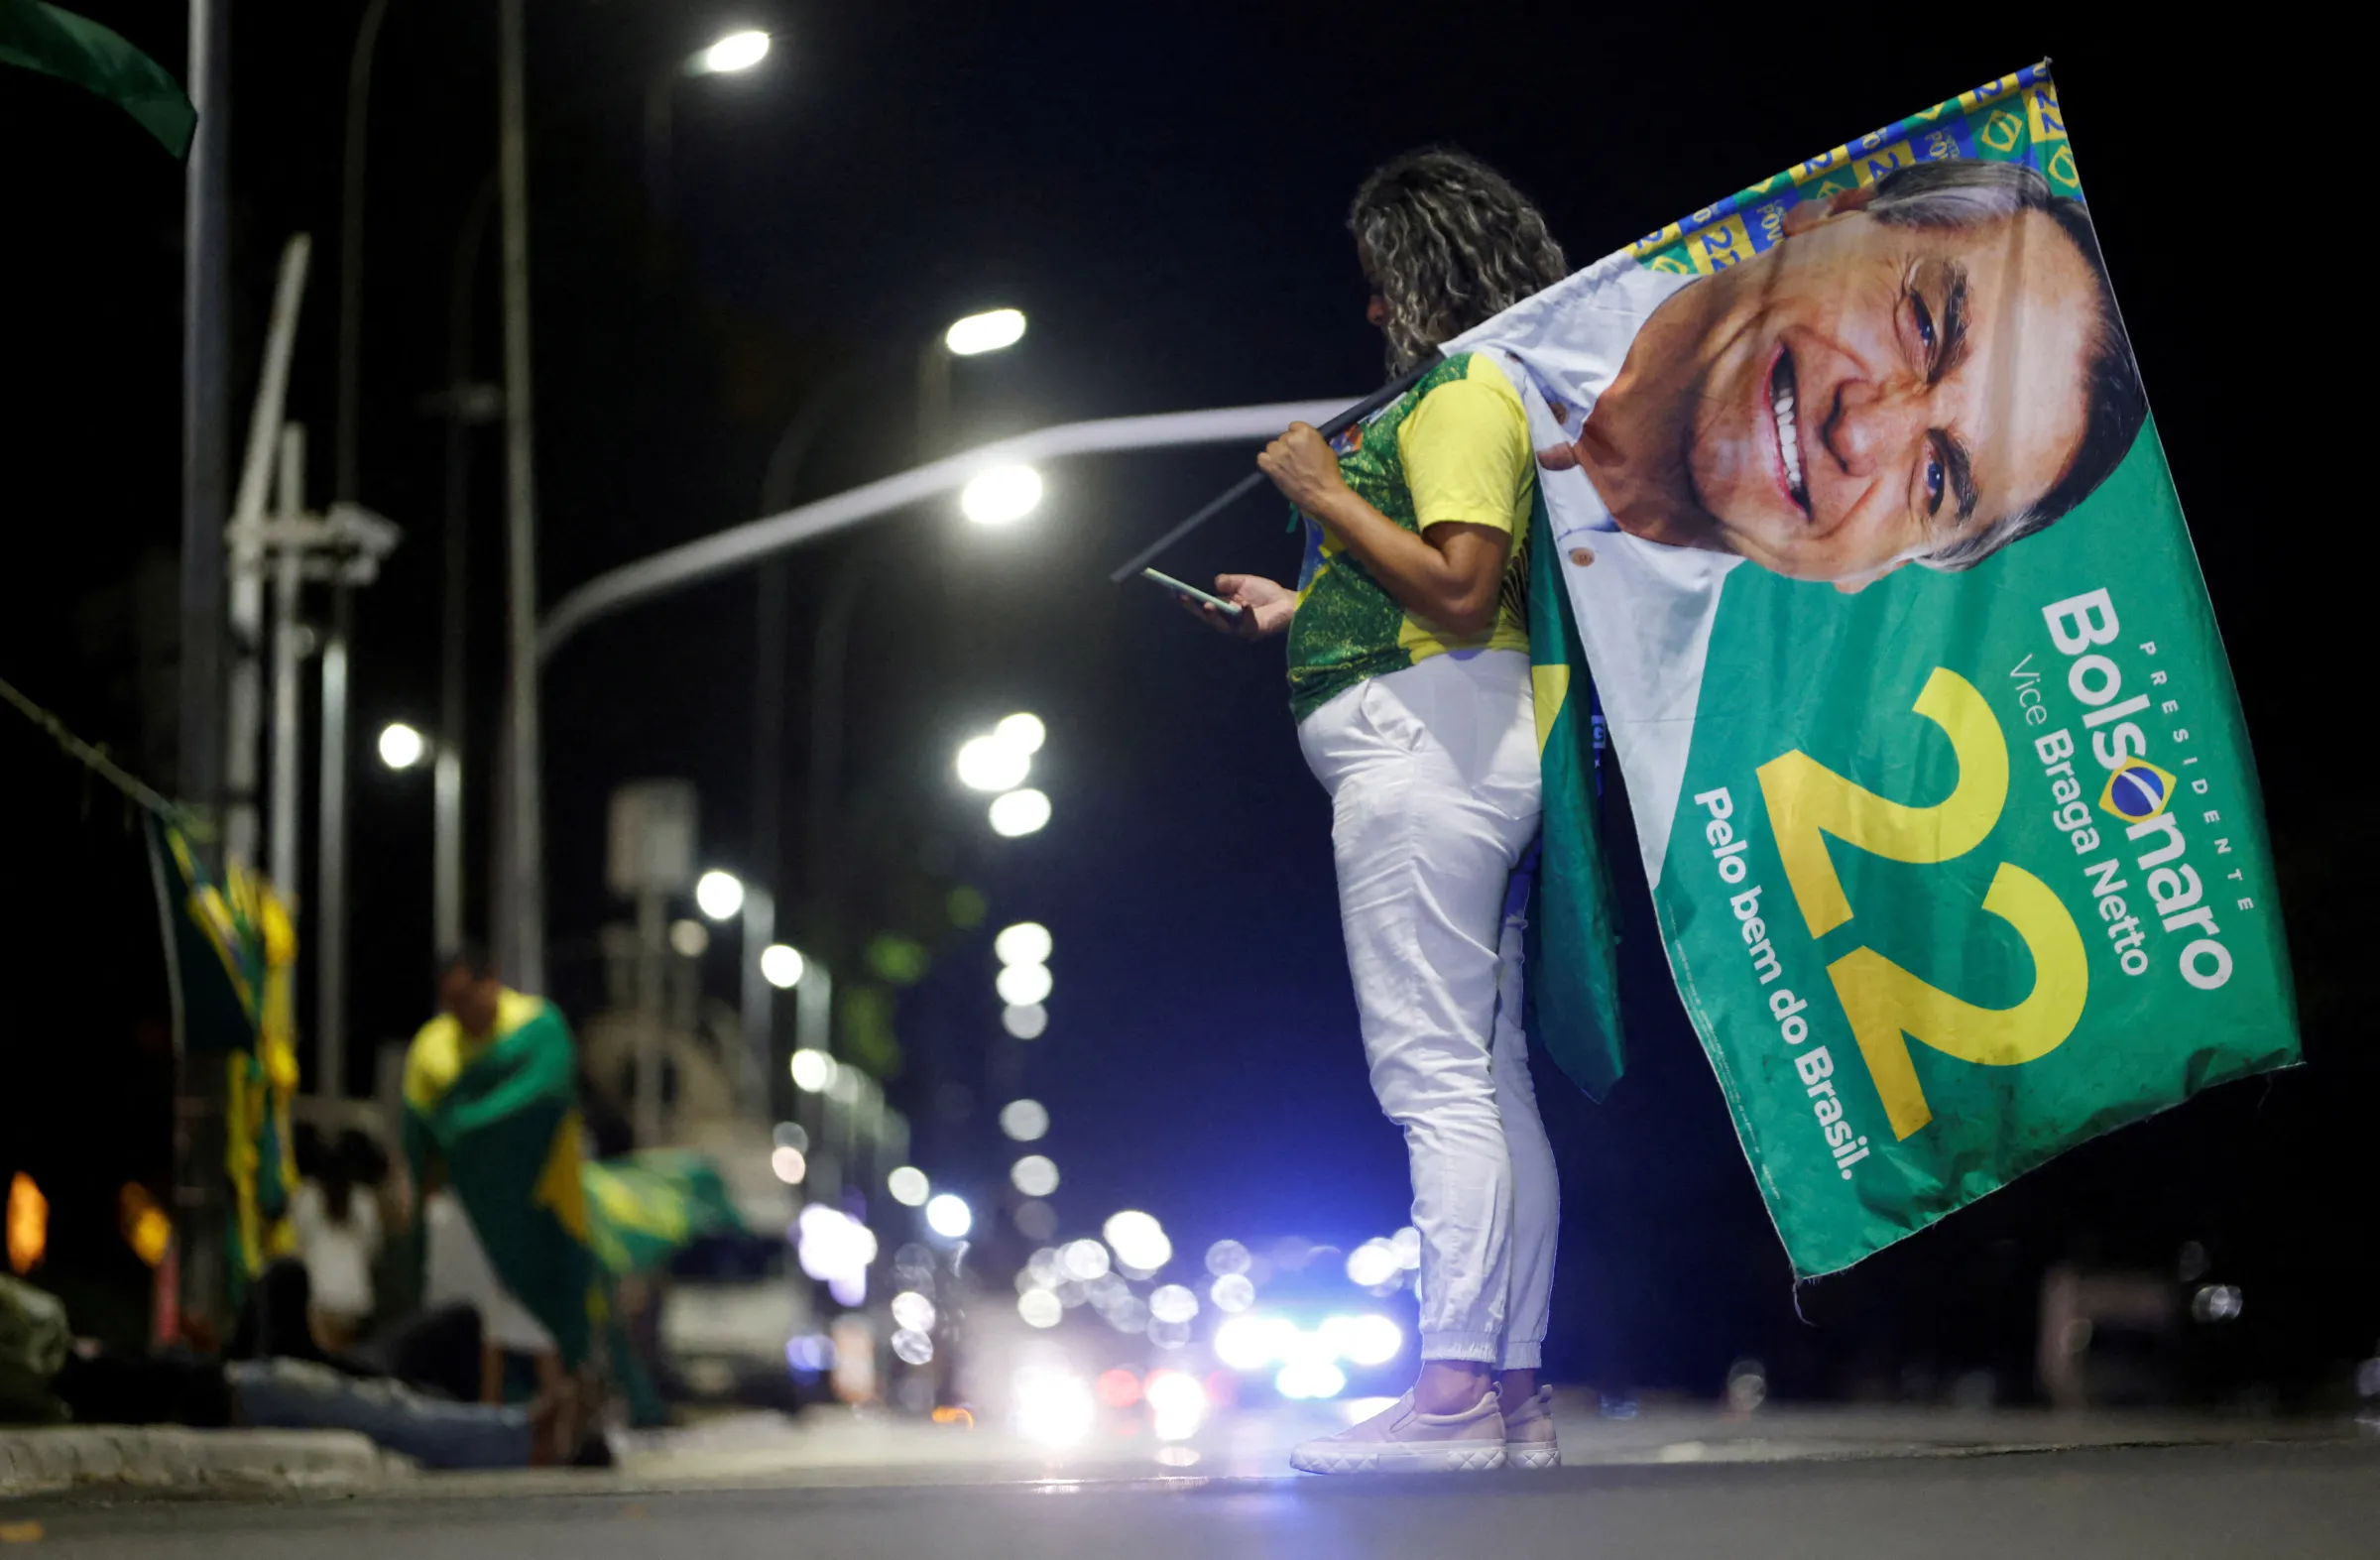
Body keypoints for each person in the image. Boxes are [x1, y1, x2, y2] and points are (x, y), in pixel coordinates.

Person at [1191, 148, 1569, 1474]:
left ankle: (1452, 1390)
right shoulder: (1477, 399)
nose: (1369, 313)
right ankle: (1512, 1394)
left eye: (1378, 285)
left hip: (1431, 761)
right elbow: (1445, 599)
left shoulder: (1461, 397)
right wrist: (1303, 611)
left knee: (1435, 1081)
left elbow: (1464, 591)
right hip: (1452, 738)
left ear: (1421, 281)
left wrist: (1325, 494)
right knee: (1490, 1080)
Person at [1487, 159, 2148, 589]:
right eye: (1923, 327)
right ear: (1836, 212)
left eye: (1937, 477)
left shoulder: (1671, 772)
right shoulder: (1500, 266)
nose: (1861, 431)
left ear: (1881, 568)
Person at [402, 949, 594, 1416]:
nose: (463, 1011)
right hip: (465, 1215)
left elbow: (546, 1094)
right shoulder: (433, 1049)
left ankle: (565, 1419)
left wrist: (466, 1127)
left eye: (468, 997)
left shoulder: (536, 1026)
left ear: (492, 983)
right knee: (478, 1319)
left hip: (538, 1207)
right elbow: (421, 1132)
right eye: (452, 1003)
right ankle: (486, 1417)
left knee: (542, 1321)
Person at [289, 1127, 386, 1353]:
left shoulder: (306, 1197)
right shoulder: (364, 1201)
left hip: (318, 1296)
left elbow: (296, 1248)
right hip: (355, 1298)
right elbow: (374, 1251)